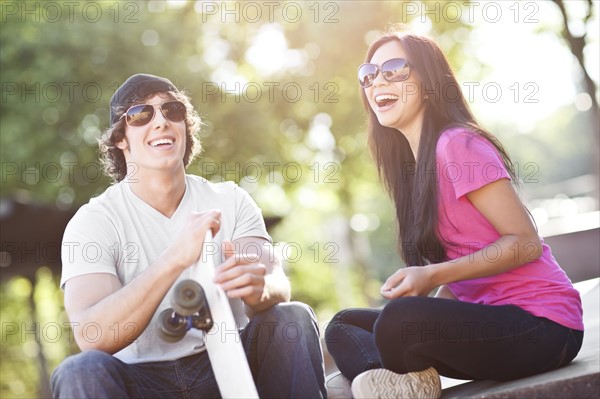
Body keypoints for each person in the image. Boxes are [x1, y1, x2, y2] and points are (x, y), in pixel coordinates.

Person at [324, 30, 584, 399]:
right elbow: (463, 273)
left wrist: (430, 277)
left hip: (545, 327)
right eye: (369, 74)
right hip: (490, 326)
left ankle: (390, 377)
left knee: (399, 321)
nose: (378, 80)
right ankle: (394, 384)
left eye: (395, 69)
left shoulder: (457, 144)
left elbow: (525, 243)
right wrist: (429, 308)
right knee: (343, 325)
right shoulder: (413, 173)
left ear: (429, 83)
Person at [51, 73, 327, 398]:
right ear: (120, 139)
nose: (160, 122)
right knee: (78, 371)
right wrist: (174, 259)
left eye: (172, 111)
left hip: (229, 363)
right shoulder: (93, 222)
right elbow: (92, 335)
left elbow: (276, 282)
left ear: (185, 127)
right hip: (142, 383)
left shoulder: (230, 199)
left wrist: (259, 287)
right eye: (141, 115)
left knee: (290, 318)